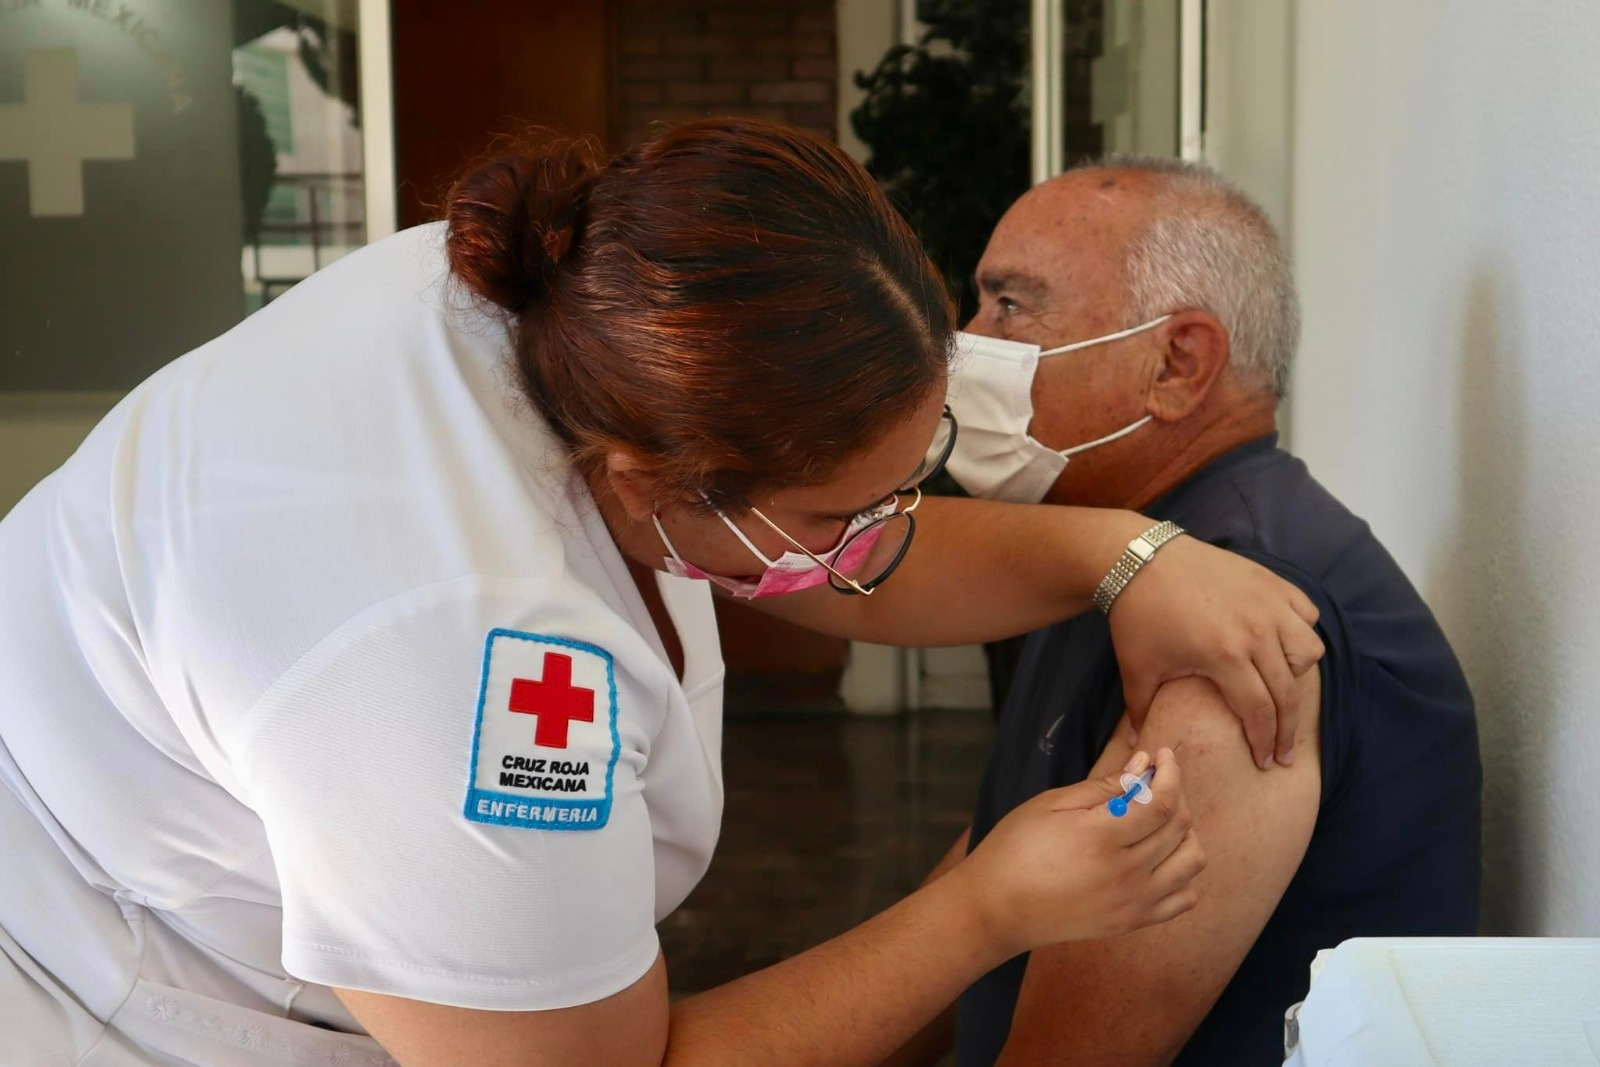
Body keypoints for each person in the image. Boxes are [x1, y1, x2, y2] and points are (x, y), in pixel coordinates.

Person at [0, 123, 1320, 1067]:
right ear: (651, 475)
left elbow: (846, 551)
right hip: (97, 991)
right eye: (828, 514)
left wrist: (1123, 554)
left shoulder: (570, 300)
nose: (875, 542)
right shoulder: (460, 649)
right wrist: (985, 906)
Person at [917, 157, 1479, 1066]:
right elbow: (1002, 839)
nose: (967, 344)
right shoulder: (1130, 548)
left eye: (1010, 308)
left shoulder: (1242, 617)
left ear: (1177, 364)